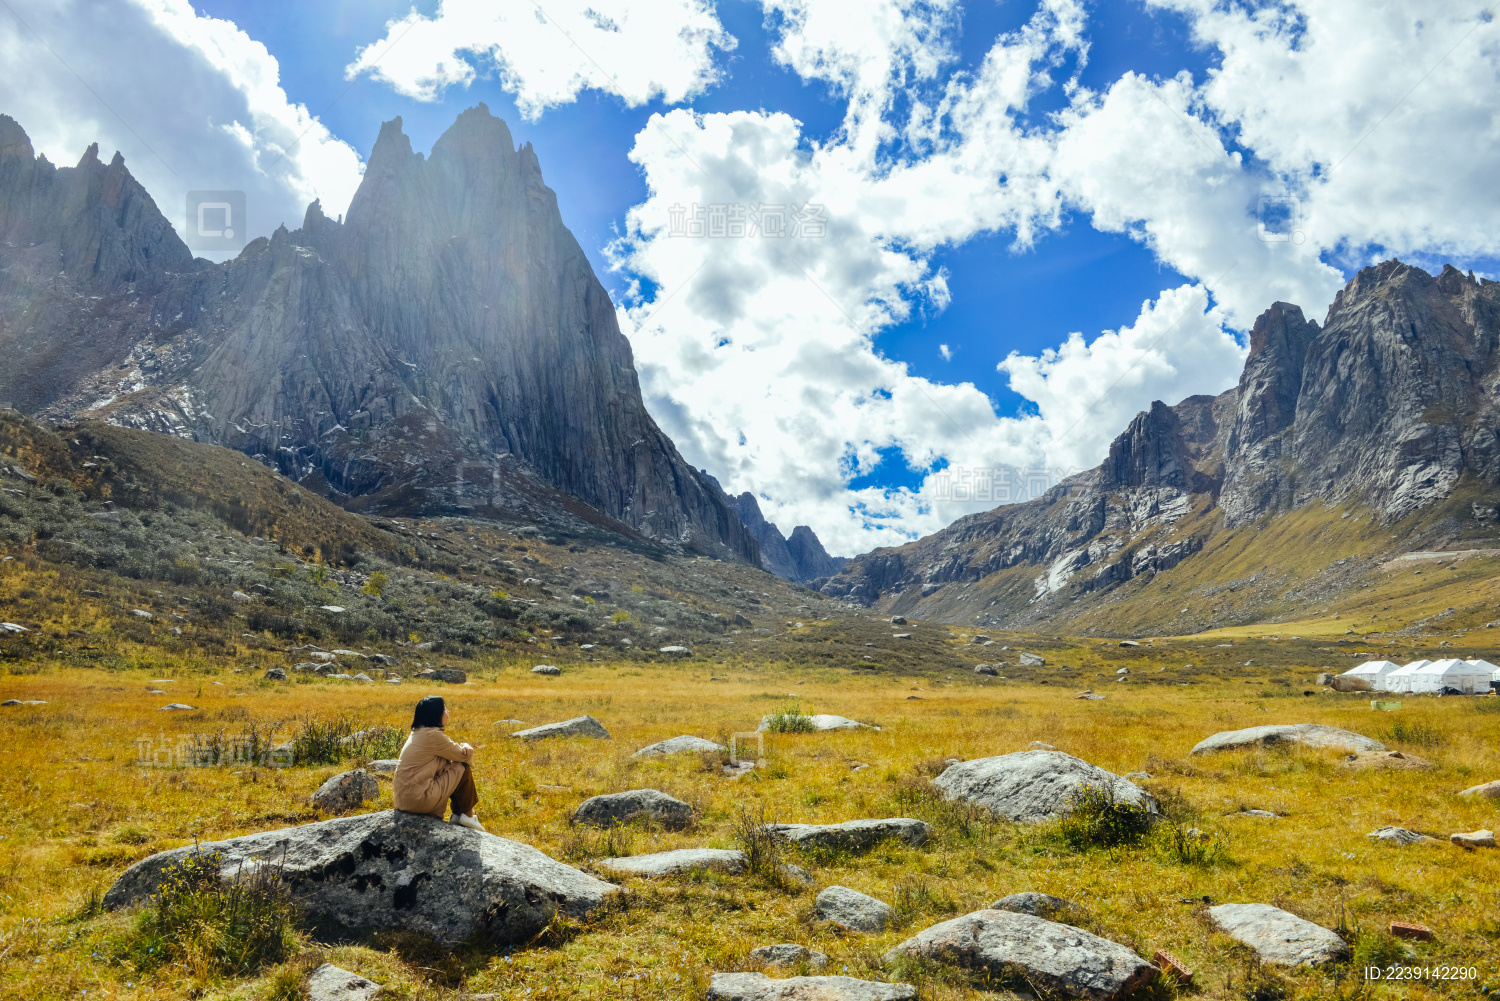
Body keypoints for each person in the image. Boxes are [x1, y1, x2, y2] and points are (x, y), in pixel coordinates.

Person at [393, 695, 486, 832]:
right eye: (444, 709)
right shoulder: (432, 735)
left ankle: (457, 815)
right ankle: (467, 815)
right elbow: (463, 756)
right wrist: (467, 746)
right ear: (435, 714)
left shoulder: (418, 732)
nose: (447, 711)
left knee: (449, 768)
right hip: (419, 799)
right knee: (462, 767)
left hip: (403, 800)